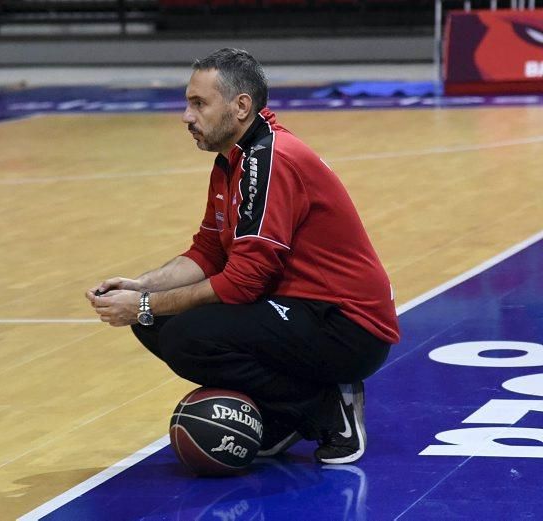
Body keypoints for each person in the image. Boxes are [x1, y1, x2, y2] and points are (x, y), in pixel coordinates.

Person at [85, 48, 399, 464]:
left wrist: (143, 304)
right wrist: (143, 286)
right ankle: (284, 415)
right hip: (301, 311)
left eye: (199, 103)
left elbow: (242, 282)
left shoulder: (270, 161)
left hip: (346, 326)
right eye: (187, 102)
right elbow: (210, 250)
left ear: (241, 106)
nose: (186, 116)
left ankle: (326, 409)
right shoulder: (233, 159)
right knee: (154, 320)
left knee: (182, 335)